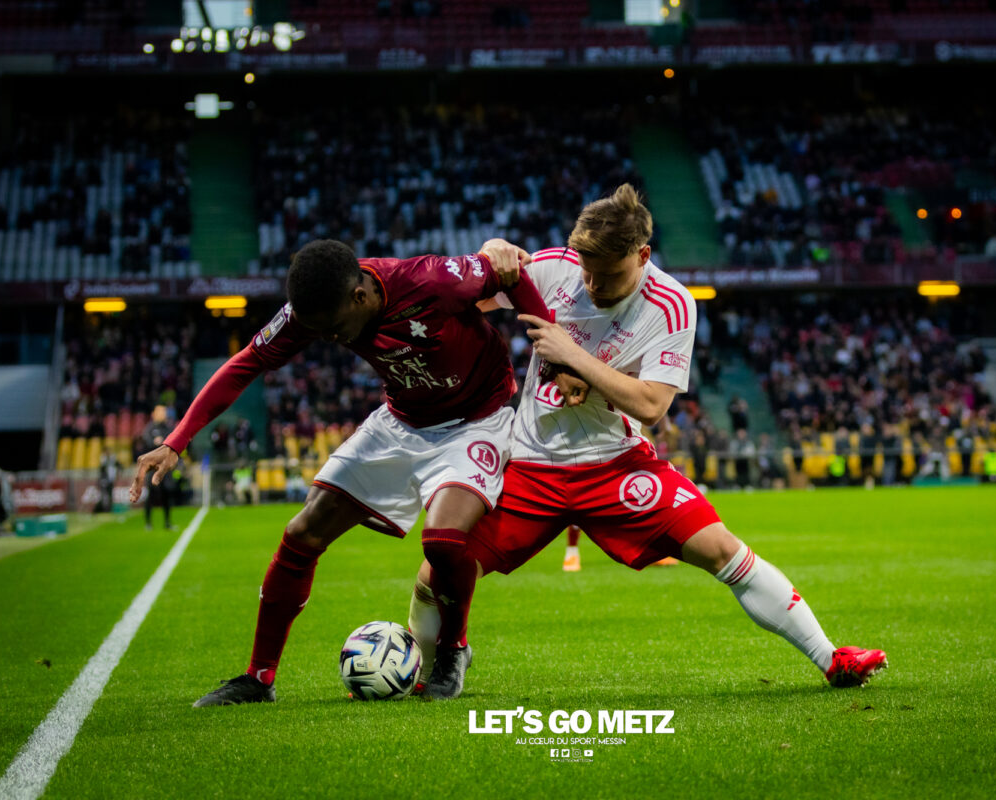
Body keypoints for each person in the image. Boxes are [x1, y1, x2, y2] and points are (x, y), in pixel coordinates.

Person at [409, 185, 886, 699]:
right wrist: (487, 256)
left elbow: (653, 405)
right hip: (529, 464)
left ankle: (831, 658)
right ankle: (431, 670)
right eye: (586, 271)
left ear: (642, 256)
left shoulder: (672, 304)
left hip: (615, 467)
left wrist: (573, 357)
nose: (593, 285)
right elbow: (464, 298)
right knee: (436, 573)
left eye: (609, 275)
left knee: (723, 550)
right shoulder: (553, 267)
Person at [130, 238, 556, 707]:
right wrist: (176, 440)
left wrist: (559, 365)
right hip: (401, 421)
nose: (331, 339)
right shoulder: (313, 310)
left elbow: (515, 275)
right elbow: (246, 362)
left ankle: (453, 650)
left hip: (475, 421)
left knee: (442, 540)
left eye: (334, 329)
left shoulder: (432, 279)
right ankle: (259, 678)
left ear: (360, 296)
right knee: (303, 531)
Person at [139, 406, 175, 531]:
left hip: (165, 467)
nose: (163, 414)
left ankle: (167, 522)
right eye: (161, 412)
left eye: (164, 412)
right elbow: (145, 443)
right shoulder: (149, 429)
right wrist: (154, 442)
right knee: (151, 494)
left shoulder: (168, 428)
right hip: (152, 467)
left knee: (167, 494)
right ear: (153, 414)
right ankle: (148, 523)